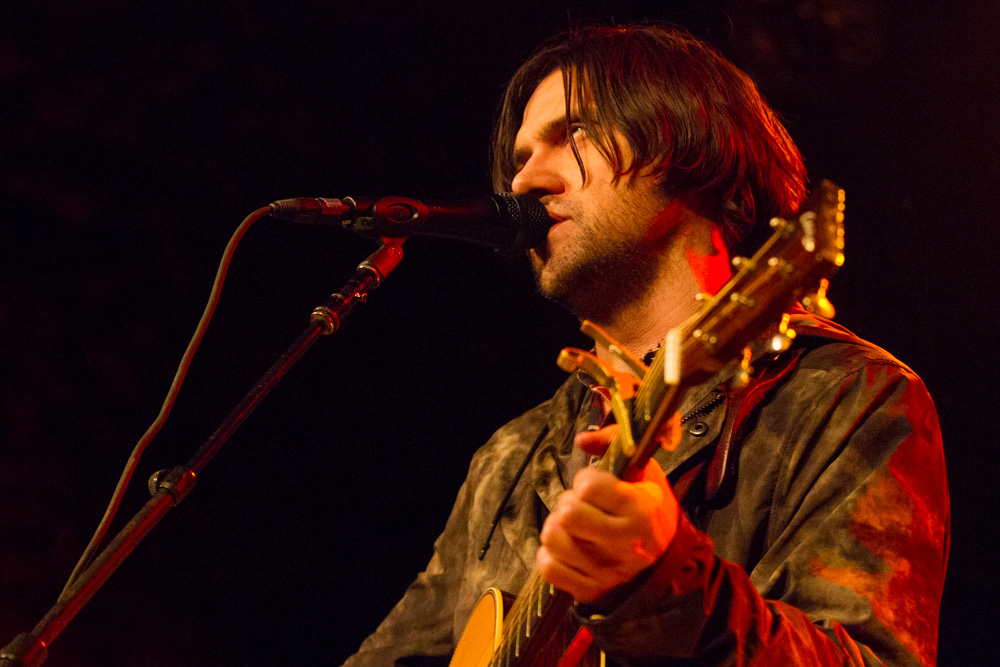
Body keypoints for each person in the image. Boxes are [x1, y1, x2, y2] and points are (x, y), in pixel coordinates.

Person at [342, 24, 949, 666]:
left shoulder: (845, 396)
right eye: (519, 158)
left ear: (689, 141)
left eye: (571, 133)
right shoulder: (511, 459)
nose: (523, 183)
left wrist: (667, 585)